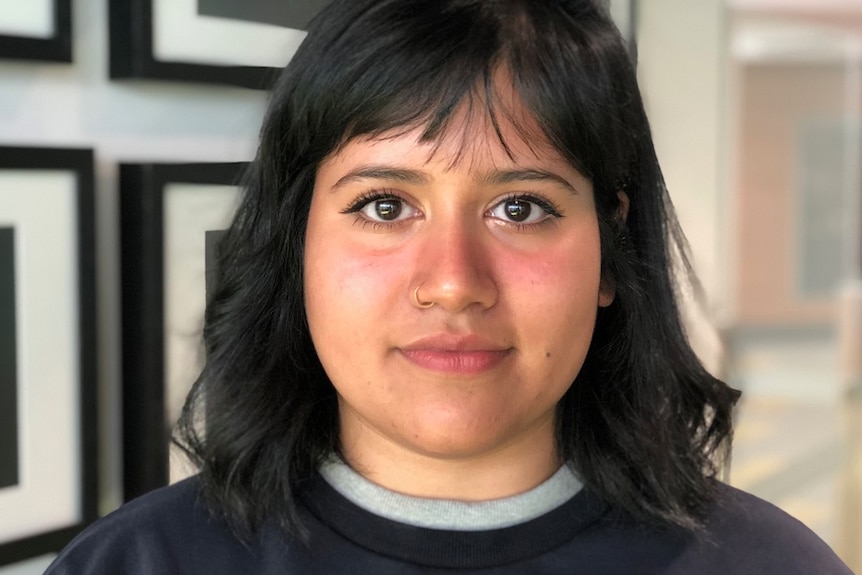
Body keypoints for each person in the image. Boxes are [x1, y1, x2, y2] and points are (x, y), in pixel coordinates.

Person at [47, 0, 853, 573]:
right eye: (385, 204)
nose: (453, 282)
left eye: (520, 206)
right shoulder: (135, 563)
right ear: (297, 243)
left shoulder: (772, 565)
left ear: (609, 250)